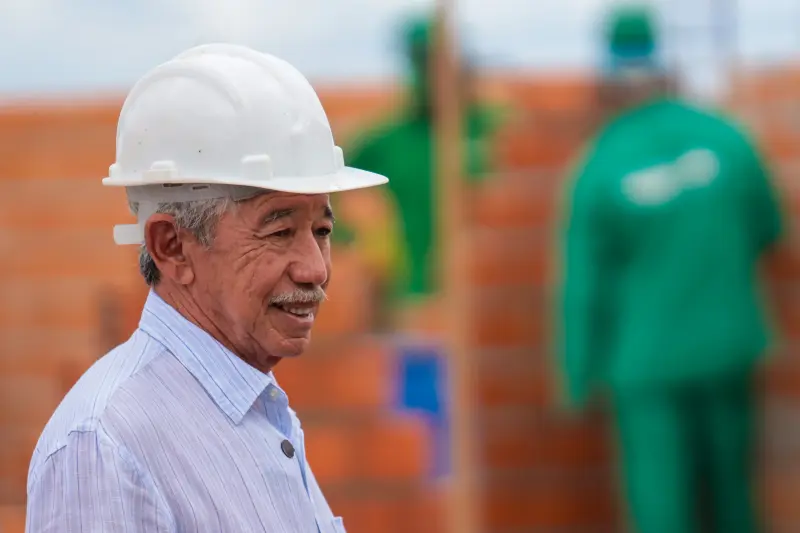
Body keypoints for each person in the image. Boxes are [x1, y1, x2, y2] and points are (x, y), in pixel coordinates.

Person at [25, 44, 388, 533]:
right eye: (279, 232)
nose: (314, 269)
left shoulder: (258, 411)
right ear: (172, 247)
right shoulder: (106, 447)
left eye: (322, 232)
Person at [556, 5, 782, 533]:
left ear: (607, 78)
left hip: (647, 367)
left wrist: (575, 376)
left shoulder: (601, 164)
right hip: (728, 349)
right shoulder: (727, 139)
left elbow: (585, 286)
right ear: (667, 68)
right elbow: (769, 229)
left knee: (660, 512)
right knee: (734, 504)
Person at [346, 15, 502, 310]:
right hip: (414, 300)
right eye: (423, 63)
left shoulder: (488, 129)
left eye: (441, 62)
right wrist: (355, 241)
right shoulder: (388, 140)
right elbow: (325, 185)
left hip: (482, 303)